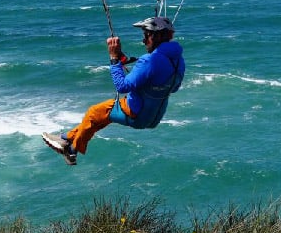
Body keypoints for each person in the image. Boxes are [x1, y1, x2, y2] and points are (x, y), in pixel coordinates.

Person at [41, 16, 185, 165]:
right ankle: (67, 139)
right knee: (101, 117)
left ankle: (71, 150)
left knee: (93, 112)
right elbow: (173, 87)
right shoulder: (178, 60)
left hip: (136, 113)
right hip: (154, 116)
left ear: (158, 36)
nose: (144, 40)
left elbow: (122, 86)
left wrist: (114, 59)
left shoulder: (150, 61)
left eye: (147, 36)